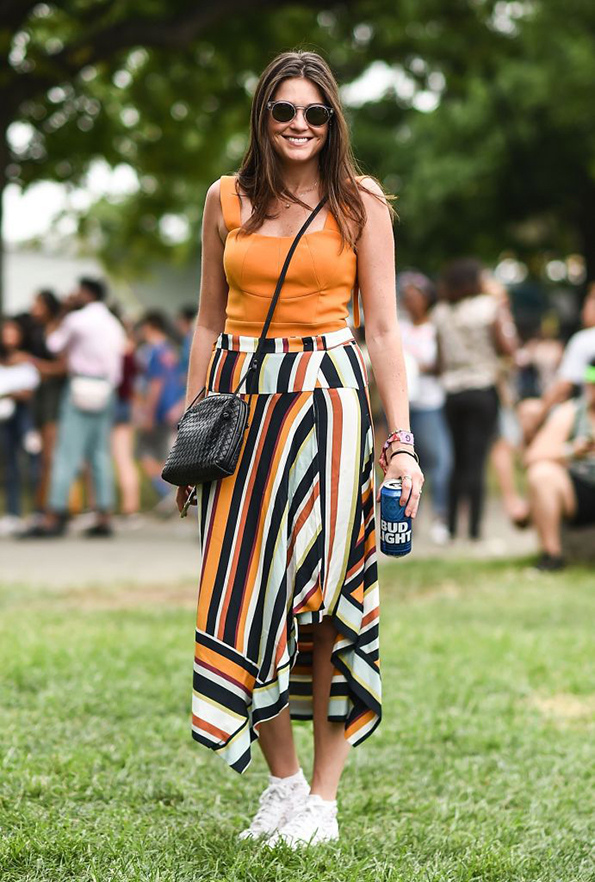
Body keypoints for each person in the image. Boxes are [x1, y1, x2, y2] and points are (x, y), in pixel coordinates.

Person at [178, 50, 423, 848]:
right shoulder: (225, 197)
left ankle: (323, 798)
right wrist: (190, 432)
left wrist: (399, 443)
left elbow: (381, 329)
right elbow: (207, 320)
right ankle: (282, 783)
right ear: (262, 115)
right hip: (240, 406)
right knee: (249, 595)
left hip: (329, 404)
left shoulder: (360, 202)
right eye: (283, 110)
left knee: (322, 601)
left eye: (315, 113)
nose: (298, 124)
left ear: (332, 122)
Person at [23, 278, 126, 538]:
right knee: (100, 455)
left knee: (66, 453)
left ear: (86, 293)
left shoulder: (77, 320)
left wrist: (64, 311)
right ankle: (104, 515)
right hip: (106, 389)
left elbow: (53, 344)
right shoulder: (113, 323)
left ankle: (54, 515)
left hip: (80, 386)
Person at [433, 258, 516, 540]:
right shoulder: (489, 307)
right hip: (482, 388)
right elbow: (507, 347)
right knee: (477, 460)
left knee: (457, 458)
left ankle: (452, 526)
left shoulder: (440, 312)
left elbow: (440, 361)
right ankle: (475, 529)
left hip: (452, 392)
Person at [524, 358, 595, 570]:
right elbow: (533, 456)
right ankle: (552, 556)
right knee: (541, 473)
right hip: (580, 490)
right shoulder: (572, 412)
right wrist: (572, 451)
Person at [399, 270, 452, 544]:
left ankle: (439, 517)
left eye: (415, 296)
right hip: (403, 406)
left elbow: (443, 364)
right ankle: (404, 519)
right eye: (406, 297)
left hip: (430, 403)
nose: (410, 302)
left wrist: (416, 367)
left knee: (439, 461)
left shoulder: (435, 328)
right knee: (402, 463)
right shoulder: (399, 328)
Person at [519, 283, 595, 443]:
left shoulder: (585, 340)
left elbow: (563, 387)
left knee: (528, 409)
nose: (585, 308)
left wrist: (538, 418)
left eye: (589, 300)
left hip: (588, 415)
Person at [136, 311, 184, 505]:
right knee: (164, 453)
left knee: (143, 453)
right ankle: (171, 492)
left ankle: (166, 493)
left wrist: (148, 413)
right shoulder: (170, 350)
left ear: (149, 326)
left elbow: (156, 384)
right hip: (171, 408)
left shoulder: (154, 351)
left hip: (159, 410)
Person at [0, 316, 40, 535]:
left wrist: (13, 393)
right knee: (10, 465)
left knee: (32, 461)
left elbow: (30, 391)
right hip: (4, 417)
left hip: (24, 416)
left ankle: (37, 511)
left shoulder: (26, 359)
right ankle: (13, 512)